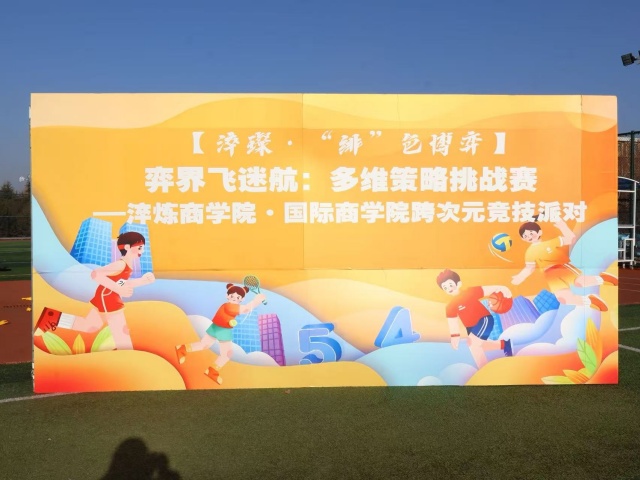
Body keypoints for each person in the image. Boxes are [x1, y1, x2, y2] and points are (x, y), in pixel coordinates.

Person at [34, 231, 155, 350]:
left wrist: (142, 281)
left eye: (142, 248)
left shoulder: (127, 265)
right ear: (127, 247)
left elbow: (120, 282)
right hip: (108, 298)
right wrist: (118, 289)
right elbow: (96, 274)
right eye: (139, 248)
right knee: (121, 335)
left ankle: (53, 317)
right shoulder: (120, 265)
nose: (142, 251)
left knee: (89, 326)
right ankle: (127, 357)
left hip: (106, 296)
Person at [511, 218, 617, 311]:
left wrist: (563, 226)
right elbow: (529, 268)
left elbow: (570, 238)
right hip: (550, 275)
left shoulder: (550, 243)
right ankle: (590, 301)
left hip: (561, 266)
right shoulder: (529, 253)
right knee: (563, 298)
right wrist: (520, 277)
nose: (529, 236)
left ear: (539, 232)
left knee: (580, 282)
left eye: (531, 233)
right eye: (525, 235)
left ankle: (602, 278)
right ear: (523, 239)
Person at [175, 283, 267, 385]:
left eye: (237, 297)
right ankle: (212, 370)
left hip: (217, 327)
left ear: (241, 299)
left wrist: (257, 301)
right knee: (227, 353)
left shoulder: (228, 306)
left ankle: (183, 349)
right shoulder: (229, 306)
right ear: (227, 296)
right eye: (232, 296)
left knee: (204, 345)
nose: (234, 298)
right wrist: (256, 301)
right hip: (222, 330)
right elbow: (245, 309)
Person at [437, 269, 513, 369]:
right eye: (445, 288)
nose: (449, 289)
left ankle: (484, 369)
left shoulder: (470, 292)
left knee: (473, 344)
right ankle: (504, 345)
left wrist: (504, 289)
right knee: (479, 345)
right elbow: (453, 322)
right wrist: (455, 336)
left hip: (484, 320)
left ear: (458, 284)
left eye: (450, 285)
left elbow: (491, 289)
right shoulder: (450, 306)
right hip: (470, 327)